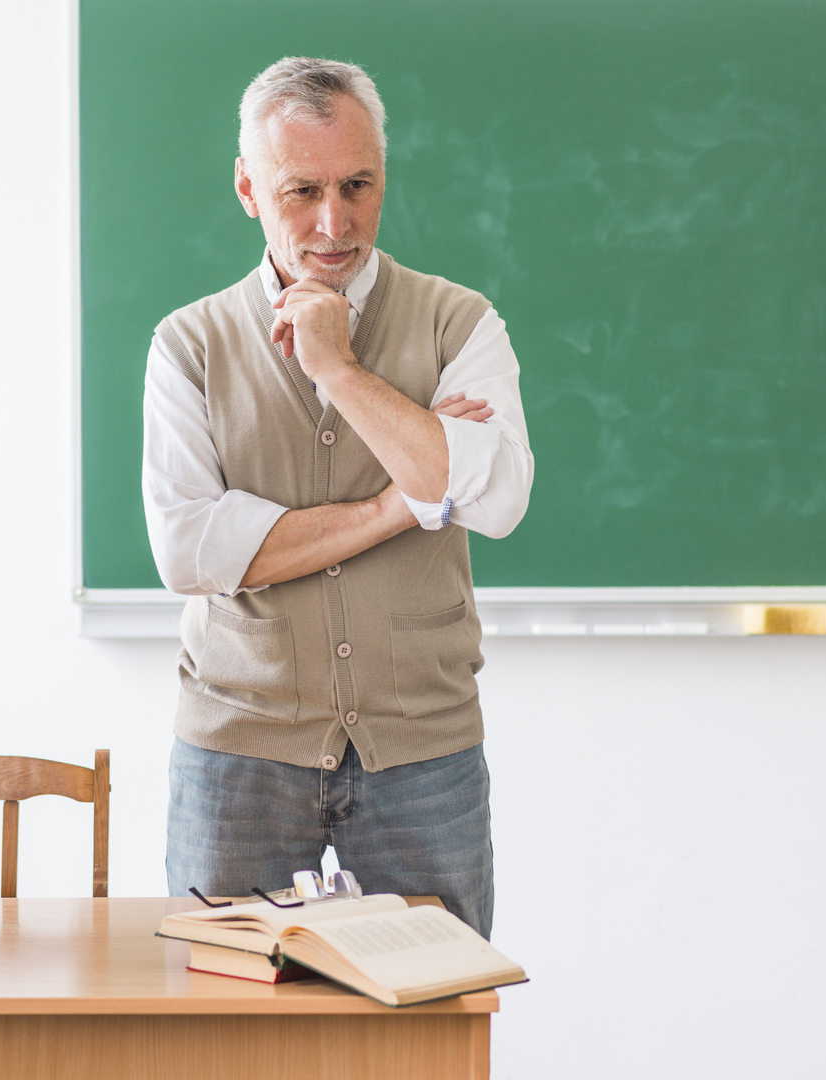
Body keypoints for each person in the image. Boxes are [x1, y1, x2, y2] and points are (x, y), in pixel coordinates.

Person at [141, 57, 533, 938]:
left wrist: (337, 367)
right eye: (301, 191)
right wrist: (405, 500)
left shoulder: (459, 322)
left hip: (424, 750)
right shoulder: (188, 346)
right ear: (248, 187)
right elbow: (189, 553)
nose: (334, 221)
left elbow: (499, 497)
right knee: (222, 1033)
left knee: (434, 1023)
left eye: (358, 185)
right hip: (237, 747)